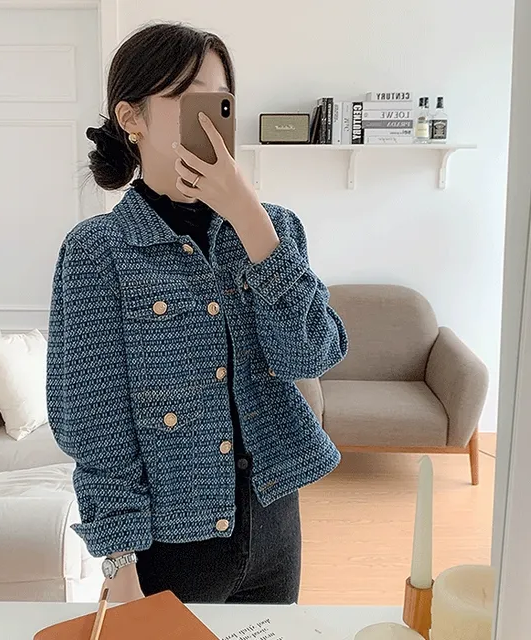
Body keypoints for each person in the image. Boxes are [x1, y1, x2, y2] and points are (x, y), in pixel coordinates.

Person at [46, 21, 348, 605]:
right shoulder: (97, 251)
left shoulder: (273, 229)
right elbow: (93, 422)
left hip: (275, 520)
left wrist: (249, 216)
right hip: (171, 543)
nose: (209, 118)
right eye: (188, 99)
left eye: (221, 101)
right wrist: (119, 562)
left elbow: (312, 354)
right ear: (131, 118)